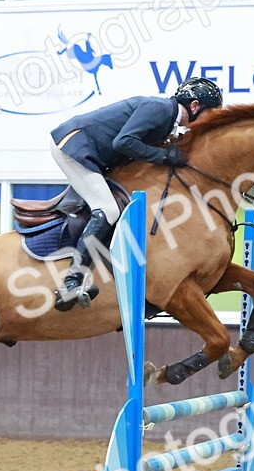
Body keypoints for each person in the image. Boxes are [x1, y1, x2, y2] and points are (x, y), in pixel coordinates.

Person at [48, 77, 223, 311]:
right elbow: (124, 142)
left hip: (92, 150)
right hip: (74, 146)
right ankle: (71, 281)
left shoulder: (167, 118)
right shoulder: (160, 109)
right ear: (194, 106)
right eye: (209, 114)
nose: (209, 121)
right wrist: (166, 156)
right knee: (107, 210)